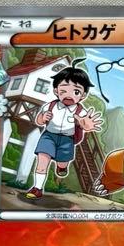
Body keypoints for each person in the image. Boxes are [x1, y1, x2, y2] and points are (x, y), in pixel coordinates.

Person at [23, 66, 102, 200]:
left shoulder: (81, 111)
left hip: (67, 139)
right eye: (64, 90)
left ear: (83, 95)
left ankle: (61, 167)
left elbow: (86, 124)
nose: (69, 95)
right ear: (56, 91)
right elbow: (39, 121)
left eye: (76, 91)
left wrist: (86, 125)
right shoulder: (50, 106)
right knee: (42, 160)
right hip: (49, 136)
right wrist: (43, 117)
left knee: (62, 162)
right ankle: (37, 188)